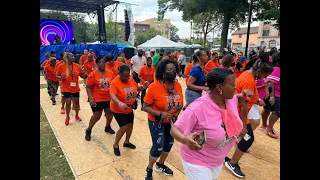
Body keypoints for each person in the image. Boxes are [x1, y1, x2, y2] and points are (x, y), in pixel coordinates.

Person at [170, 68, 253, 180]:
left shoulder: (230, 99)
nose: (235, 87)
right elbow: (174, 129)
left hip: (217, 160)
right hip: (197, 161)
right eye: (233, 84)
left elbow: (241, 99)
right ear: (219, 88)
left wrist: (246, 94)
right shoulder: (197, 108)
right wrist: (185, 140)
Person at [224, 52, 274, 178]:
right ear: (260, 71)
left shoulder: (248, 76)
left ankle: (224, 157)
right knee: (248, 138)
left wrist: (258, 98)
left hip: (237, 112)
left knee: (233, 137)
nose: (264, 77)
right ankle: (232, 163)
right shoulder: (249, 81)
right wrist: (244, 125)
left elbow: (252, 94)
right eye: (264, 75)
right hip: (238, 114)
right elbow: (243, 106)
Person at [144, 59, 184, 180]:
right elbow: (145, 107)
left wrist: (176, 113)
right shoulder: (154, 87)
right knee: (158, 147)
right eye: (168, 70)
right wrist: (160, 113)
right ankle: (149, 169)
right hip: (157, 122)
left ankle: (160, 165)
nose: (171, 72)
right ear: (162, 71)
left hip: (171, 122)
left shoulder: (177, 85)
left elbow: (181, 103)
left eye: (173, 70)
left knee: (168, 145)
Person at [110, 64, 149, 156]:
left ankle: (126, 142)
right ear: (119, 73)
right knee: (123, 127)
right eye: (125, 76)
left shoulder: (130, 79)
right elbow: (113, 95)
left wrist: (143, 86)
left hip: (129, 108)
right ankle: (115, 144)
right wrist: (120, 103)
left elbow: (137, 88)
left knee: (130, 125)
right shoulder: (114, 83)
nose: (127, 78)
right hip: (118, 109)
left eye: (128, 75)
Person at [85, 56, 116, 141]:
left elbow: (113, 84)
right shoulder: (93, 74)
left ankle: (107, 127)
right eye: (100, 62)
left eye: (103, 62)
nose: (102, 64)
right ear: (97, 63)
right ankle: (89, 130)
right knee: (97, 116)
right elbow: (88, 87)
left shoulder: (110, 73)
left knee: (110, 113)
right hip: (97, 98)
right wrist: (90, 98)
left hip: (108, 98)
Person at [56, 52, 86, 125]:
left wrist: (83, 72)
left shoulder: (77, 66)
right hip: (66, 87)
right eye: (72, 56)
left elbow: (82, 77)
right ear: (67, 58)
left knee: (76, 103)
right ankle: (67, 117)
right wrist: (61, 77)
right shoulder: (61, 66)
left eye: (73, 56)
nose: (73, 57)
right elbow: (57, 76)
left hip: (75, 88)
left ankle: (76, 115)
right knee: (68, 102)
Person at [261, 52, 280, 138]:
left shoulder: (274, 68)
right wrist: (271, 96)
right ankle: (269, 128)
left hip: (270, 93)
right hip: (275, 94)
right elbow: (269, 82)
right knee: (277, 112)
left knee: (267, 109)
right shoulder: (277, 69)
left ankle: (264, 125)